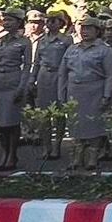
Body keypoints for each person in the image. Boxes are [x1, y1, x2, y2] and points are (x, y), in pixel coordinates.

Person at [57, 15, 112, 171]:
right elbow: (63, 73)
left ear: (97, 31)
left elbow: (110, 74)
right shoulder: (72, 48)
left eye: (89, 28)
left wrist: (106, 95)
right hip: (74, 90)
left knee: (94, 124)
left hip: (94, 90)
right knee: (75, 124)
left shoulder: (104, 50)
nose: (85, 31)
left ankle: (92, 157)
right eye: (83, 28)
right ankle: (76, 157)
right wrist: (61, 94)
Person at [0, 7, 32, 172]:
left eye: (10, 20)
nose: (6, 23)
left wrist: (22, 87)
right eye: (5, 19)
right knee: (0, 123)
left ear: (19, 22)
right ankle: (4, 153)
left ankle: (12, 155)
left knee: (12, 122)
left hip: (14, 80)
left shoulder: (24, 41)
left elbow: (27, 65)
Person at [31, 10, 74, 159]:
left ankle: (57, 146)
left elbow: (70, 60)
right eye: (49, 20)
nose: (51, 23)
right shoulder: (42, 40)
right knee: (44, 114)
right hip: (44, 75)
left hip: (60, 75)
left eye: (55, 20)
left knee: (59, 113)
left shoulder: (67, 39)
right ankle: (46, 146)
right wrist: (32, 79)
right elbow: (36, 61)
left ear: (61, 23)